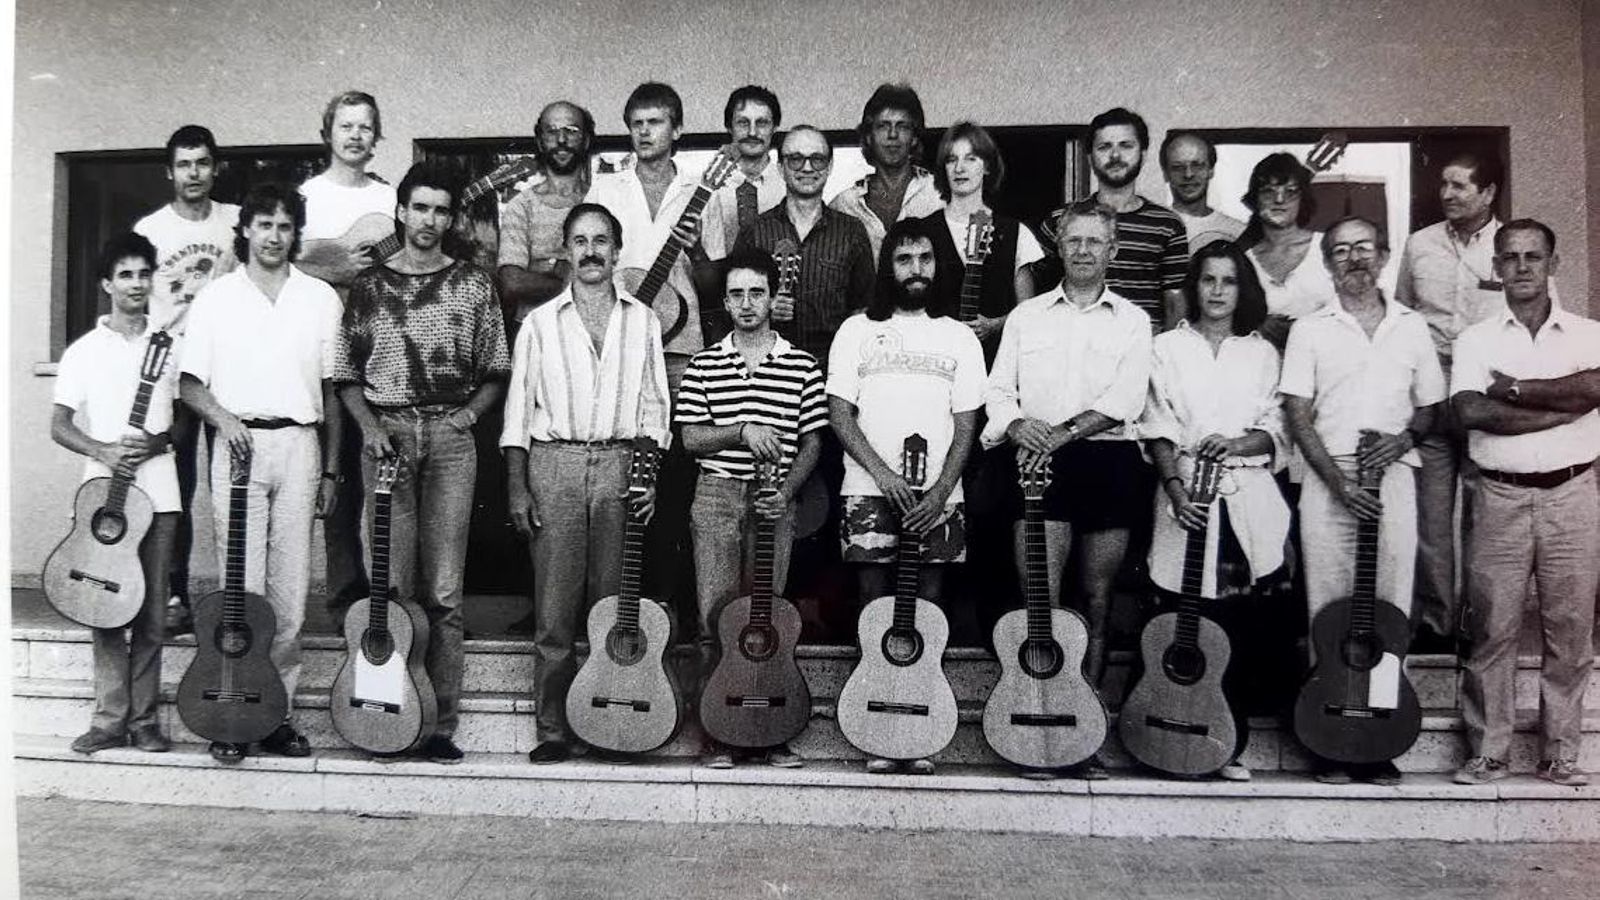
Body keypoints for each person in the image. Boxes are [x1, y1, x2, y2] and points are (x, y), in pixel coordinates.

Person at [329, 163, 511, 763]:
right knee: (392, 586)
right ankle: (389, 715)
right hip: (386, 443)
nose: (430, 220)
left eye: (441, 210)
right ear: (402, 211)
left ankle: (436, 724)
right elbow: (346, 376)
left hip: (451, 441)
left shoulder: (473, 284)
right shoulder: (368, 287)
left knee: (444, 592)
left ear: (451, 218)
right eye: (420, 208)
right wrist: (372, 427)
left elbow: (496, 370)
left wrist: (463, 420)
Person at [984, 205, 1153, 779]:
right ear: (1059, 247)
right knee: (1041, 604)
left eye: (1095, 242)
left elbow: (1126, 399)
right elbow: (998, 391)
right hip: (1034, 464)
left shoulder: (1133, 320)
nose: (1083, 251)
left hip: (1106, 461)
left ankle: (1087, 731)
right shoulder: (1026, 316)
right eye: (1073, 241)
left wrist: (1060, 433)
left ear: (1114, 249)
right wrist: (1013, 426)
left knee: (1098, 601)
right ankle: (1037, 723)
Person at [1279, 216, 1446, 786]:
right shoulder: (1310, 329)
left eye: (1364, 249)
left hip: (1393, 474)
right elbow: (1297, 415)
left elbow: (1429, 407)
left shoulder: (1412, 326)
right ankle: (1329, 740)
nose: (1354, 259)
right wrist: (1339, 481)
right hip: (1331, 479)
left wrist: (1402, 441)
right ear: (1327, 263)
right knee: (1326, 609)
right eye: (1342, 250)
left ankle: (1376, 737)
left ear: (1384, 255)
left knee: (1388, 611)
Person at [501, 203, 670, 765]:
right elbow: (517, 413)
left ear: (617, 252)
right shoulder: (540, 323)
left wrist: (647, 478)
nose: (591, 251)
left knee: (610, 606)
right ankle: (553, 729)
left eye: (602, 241)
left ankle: (605, 719)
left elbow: (654, 407)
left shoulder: (641, 319)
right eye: (580, 241)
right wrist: (518, 488)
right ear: (565, 252)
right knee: (554, 611)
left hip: (621, 464)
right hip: (556, 464)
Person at [179, 183, 343, 762]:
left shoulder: (320, 297)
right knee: (240, 594)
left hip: (299, 444)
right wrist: (224, 421)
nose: (274, 236)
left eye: (284, 226)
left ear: (296, 233)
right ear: (245, 229)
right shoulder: (217, 298)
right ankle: (230, 713)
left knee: (291, 592)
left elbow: (331, 389)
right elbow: (189, 383)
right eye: (264, 224)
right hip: (239, 445)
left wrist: (332, 471)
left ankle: (276, 715)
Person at [827, 216, 985, 776]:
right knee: (874, 608)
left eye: (924, 259)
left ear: (938, 265)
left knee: (928, 611)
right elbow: (839, 415)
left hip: (940, 498)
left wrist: (941, 490)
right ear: (887, 266)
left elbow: (967, 424)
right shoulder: (855, 331)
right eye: (903, 259)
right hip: (868, 490)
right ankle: (875, 729)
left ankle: (922, 726)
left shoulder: (959, 337)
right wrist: (883, 475)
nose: (914, 270)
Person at [1451, 219, 1600, 788]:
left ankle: (1560, 753)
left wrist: (1510, 388)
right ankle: (1488, 751)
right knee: (1492, 628)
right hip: (1499, 494)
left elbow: (1595, 389)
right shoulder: (1475, 340)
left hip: (1572, 493)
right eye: (1509, 257)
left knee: (1570, 627)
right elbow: (1469, 412)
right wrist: (1564, 407)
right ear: (1497, 267)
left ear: (1552, 264)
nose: (1521, 267)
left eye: (1532, 256)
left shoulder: (1589, 334)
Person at [1139, 240, 1292, 782]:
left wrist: (1238, 444)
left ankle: (1230, 743)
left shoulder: (1262, 353)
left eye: (1229, 281)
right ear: (1194, 286)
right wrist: (1177, 490)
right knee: (1181, 615)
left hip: (1246, 496)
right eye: (1208, 280)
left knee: (1239, 626)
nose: (1219, 291)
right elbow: (1155, 424)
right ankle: (1167, 732)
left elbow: (1277, 425)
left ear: (1243, 289)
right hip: (1185, 495)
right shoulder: (1166, 349)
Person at [678, 246, 827, 769]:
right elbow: (692, 437)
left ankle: (769, 729)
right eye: (736, 294)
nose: (746, 304)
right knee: (713, 617)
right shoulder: (705, 363)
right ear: (725, 300)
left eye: (756, 293)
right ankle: (716, 733)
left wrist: (785, 493)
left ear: (773, 297)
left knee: (766, 619)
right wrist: (742, 430)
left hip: (774, 499)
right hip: (717, 495)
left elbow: (812, 441)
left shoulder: (801, 365)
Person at [52, 232, 178, 755]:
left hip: (160, 494)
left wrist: (157, 441)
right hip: (102, 500)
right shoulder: (83, 351)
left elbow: (185, 422)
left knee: (149, 612)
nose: (135, 283)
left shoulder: (170, 347)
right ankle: (108, 719)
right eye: (124, 274)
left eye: (143, 274)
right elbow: (58, 425)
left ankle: (145, 720)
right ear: (107, 284)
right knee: (103, 607)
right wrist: (103, 450)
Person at [1394, 152, 1509, 652]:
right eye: (1444, 183)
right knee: (1431, 516)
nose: (1447, 193)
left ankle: (1479, 625)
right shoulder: (1420, 245)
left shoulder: (1513, 248)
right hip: (1433, 391)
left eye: (1460, 185)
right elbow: (1401, 315)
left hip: (1489, 395)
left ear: (1488, 193)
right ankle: (1438, 625)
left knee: (1486, 516)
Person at [132, 124, 240, 636]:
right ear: (169, 171)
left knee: (233, 483)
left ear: (215, 167)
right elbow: (134, 306)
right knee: (175, 486)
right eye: (184, 164)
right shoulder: (151, 231)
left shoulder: (236, 222)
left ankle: (235, 597)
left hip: (227, 373)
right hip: (170, 375)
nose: (193, 173)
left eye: (201, 162)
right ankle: (174, 592)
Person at [298, 90, 395, 638]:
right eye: (345, 126)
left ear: (376, 137)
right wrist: (336, 259)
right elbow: (288, 253)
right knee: (335, 477)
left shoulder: (388, 200)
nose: (355, 135)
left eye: (365, 127)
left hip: (375, 347)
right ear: (327, 134)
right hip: (319, 345)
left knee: (380, 469)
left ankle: (385, 593)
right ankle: (342, 591)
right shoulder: (307, 196)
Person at [585, 81, 705, 390]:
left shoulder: (702, 193)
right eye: (636, 124)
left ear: (677, 130)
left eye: (655, 122)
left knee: (681, 432)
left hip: (681, 341)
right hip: (616, 337)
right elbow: (584, 265)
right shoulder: (604, 190)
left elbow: (715, 281)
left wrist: (698, 252)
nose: (644, 131)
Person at [733, 125, 876, 366]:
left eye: (817, 159)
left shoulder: (851, 231)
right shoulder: (755, 232)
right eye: (795, 159)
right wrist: (764, 308)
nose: (807, 168)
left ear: (830, 166)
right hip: (768, 370)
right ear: (780, 168)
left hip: (832, 368)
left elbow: (864, 307)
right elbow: (730, 303)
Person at [1038, 107, 1188, 330]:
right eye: (1104, 147)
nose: (1115, 155)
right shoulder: (1060, 220)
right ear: (1090, 157)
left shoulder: (1168, 225)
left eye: (1126, 146)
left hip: (1143, 354)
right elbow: (1037, 289)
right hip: (1076, 350)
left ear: (1144, 154)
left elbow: (1175, 305)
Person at [915, 120, 1042, 359]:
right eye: (952, 160)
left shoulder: (1016, 233)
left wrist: (995, 325)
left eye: (971, 158)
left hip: (996, 365)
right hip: (936, 362)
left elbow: (1028, 312)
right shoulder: (923, 231)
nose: (959, 168)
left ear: (987, 167)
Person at [496, 100, 595, 322]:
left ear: (586, 140)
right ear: (540, 142)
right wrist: (581, 277)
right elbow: (512, 283)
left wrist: (548, 270)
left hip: (592, 331)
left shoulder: (601, 200)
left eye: (571, 130)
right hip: (537, 334)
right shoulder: (521, 206)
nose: (561, 140)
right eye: (552, 131)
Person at [829, 83, 944, 260]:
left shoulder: (939, 195)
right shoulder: (844, 206)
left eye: (902, 126)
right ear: (869, 136)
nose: (892, 135)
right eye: (883, 126)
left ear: (914, 138)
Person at [1240, 152, 1334, 348]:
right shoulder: (1242, 259)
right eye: (1268, 191)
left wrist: (1303, 329)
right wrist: (1255, 324)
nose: (1280, 200)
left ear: (1303, 199)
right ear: (1255, 199)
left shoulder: (1327, 246)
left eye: (1290, 192)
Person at [1160, 131, 1246, 251]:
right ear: (1166, 174)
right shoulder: (1153, 229)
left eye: (1197, 165)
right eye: (1178, 167)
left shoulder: (1237, 233)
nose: (1188, 174)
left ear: (1211, 170)